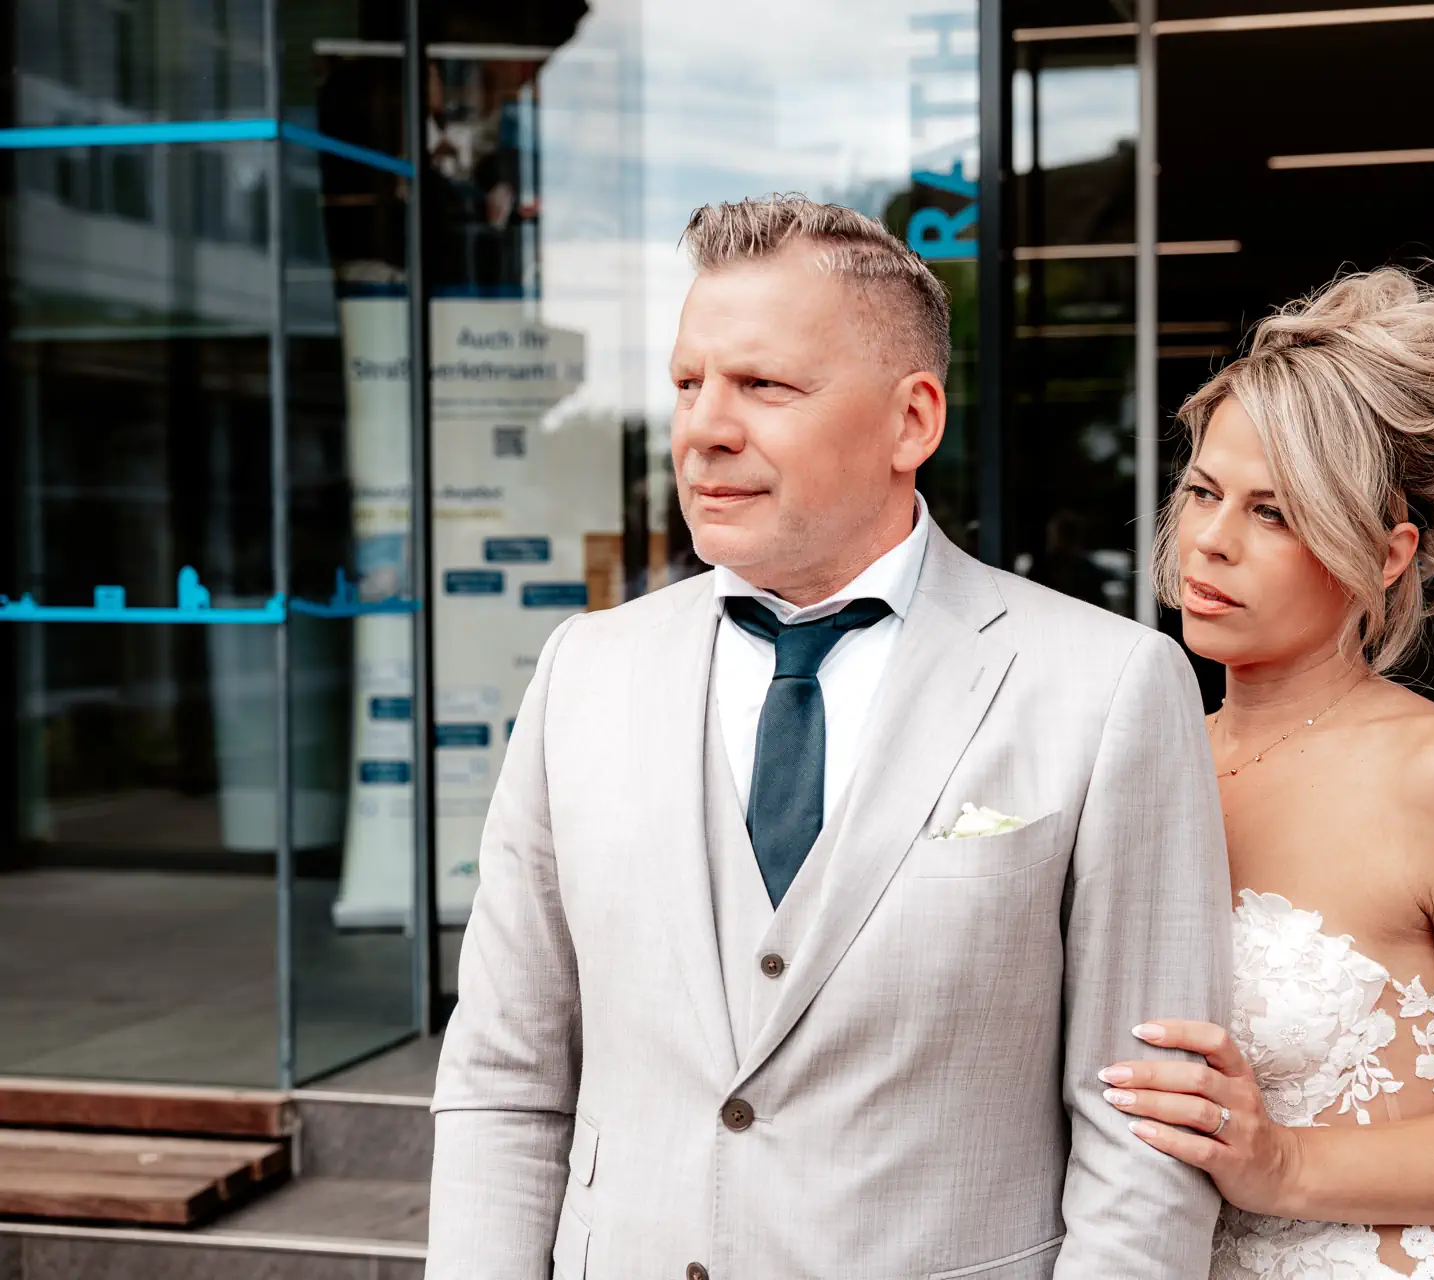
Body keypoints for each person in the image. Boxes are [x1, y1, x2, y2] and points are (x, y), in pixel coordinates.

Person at [423, 195, 1232, 1279]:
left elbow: (1143, 1132)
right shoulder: (584, 671)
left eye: (764, 385)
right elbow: (503, 1077)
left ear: (913, 422)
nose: (704, 427)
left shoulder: (1108, 685)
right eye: (687, 383)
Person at [1100, 269, 1434, 1279]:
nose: (1212, 541)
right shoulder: (1145, 757)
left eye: (1275, 513)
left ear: (1388, 554)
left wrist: (1287, 1163)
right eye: (1205, 493)